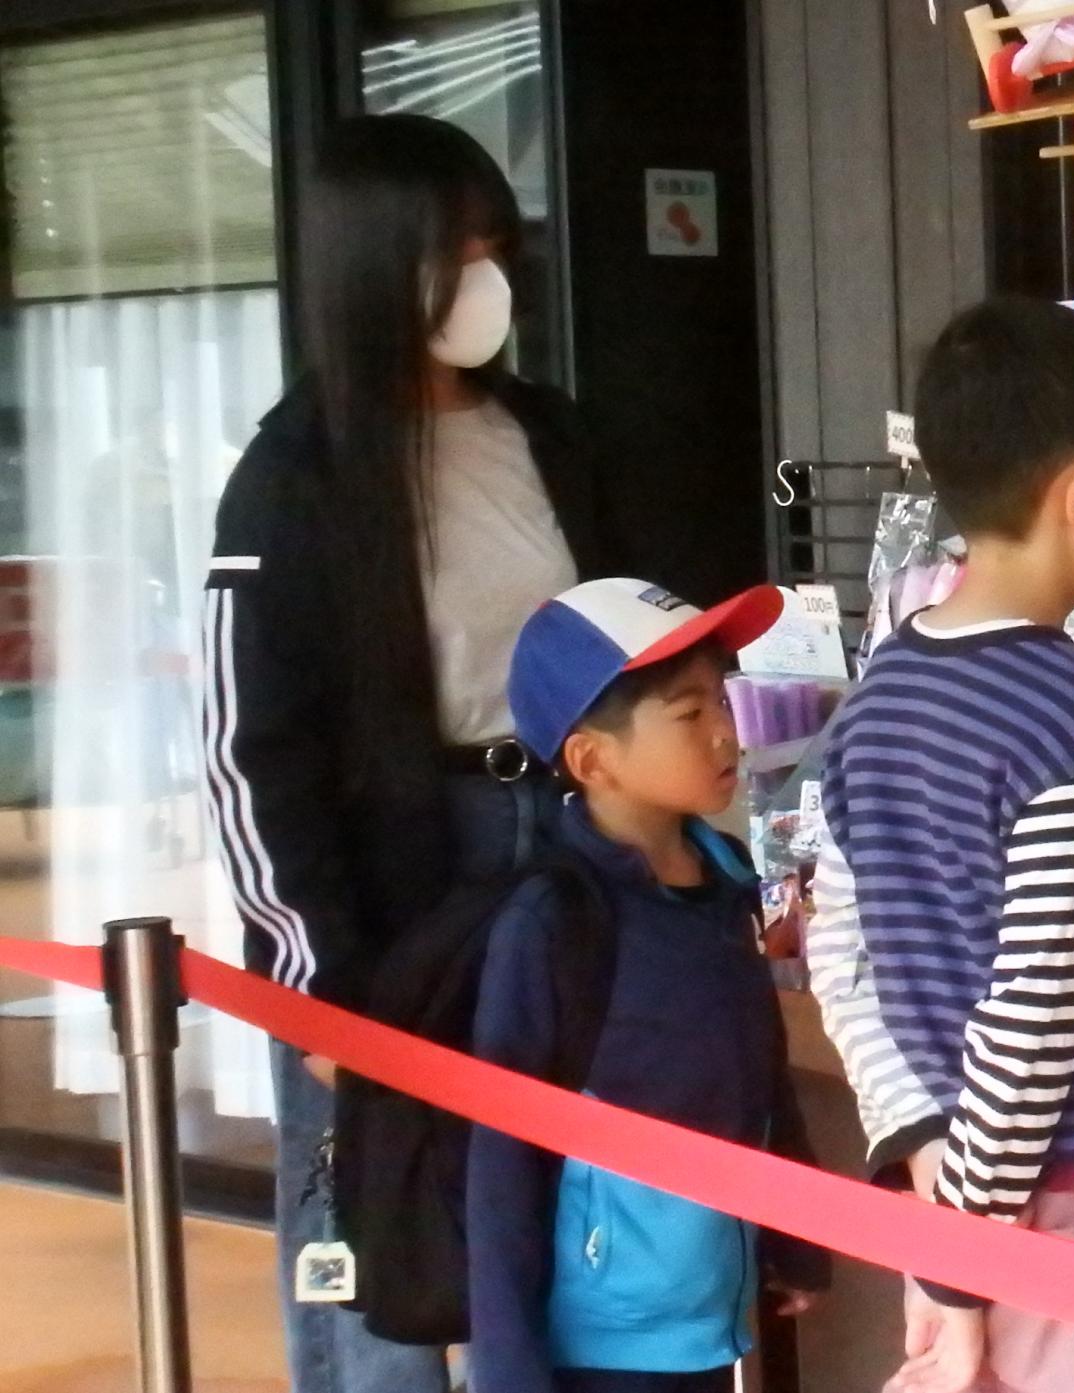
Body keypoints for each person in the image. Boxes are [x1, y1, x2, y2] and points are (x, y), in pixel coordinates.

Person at [202, 113, 625, 1393]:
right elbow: (249, 751)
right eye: (459, 248)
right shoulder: (292, 477)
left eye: (498, 244)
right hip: (391, 880)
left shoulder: (545, 432)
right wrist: (312, 976)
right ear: (379, 266)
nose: (487, 275)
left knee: (552, 1202)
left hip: (558, 839)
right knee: (382, 1236)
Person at [803, 297, 1074, 1393]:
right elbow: (1036, 1004)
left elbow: (845, 958)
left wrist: (940, 1170)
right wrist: (961, 1257)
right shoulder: (1065, 707)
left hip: (958, 1187)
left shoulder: (880, 690)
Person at [465, 578, 831, 1393]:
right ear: (593, 758)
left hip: (707, 1321)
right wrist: (511, 1370)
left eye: (723, 703)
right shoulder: (553, 921)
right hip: (600, 1344)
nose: (725, 734)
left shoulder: (724, 880)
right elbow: (502, 1166)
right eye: (689, 713)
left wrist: (796, 1234)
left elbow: (760, 1077)